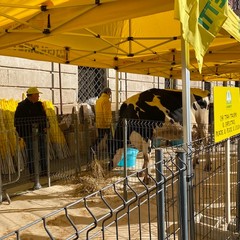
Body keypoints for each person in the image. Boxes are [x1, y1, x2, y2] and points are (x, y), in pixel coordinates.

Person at [14, 87, 48, 178]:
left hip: (40, 132)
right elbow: (17, 122)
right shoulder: (22, 106)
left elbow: (44, 117)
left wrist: (45, 126)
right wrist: (21, 134)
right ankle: (33, 174)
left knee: (43, 151)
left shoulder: (39, 105)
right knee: (31, 154)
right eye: (37, 94)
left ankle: (44, 171)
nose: (38, 96)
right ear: (32, 95)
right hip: (28, 134)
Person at [92, 87, 112, 153]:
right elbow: (107, 113)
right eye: (110, 93)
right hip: (105, 123)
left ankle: (93, 148)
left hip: (99, 122)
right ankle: (110, 150)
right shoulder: (106, 101)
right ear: (108, 92)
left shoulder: (98, 100)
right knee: (110, 137)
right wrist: (109, 122)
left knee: (101, 137)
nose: (110, 95)